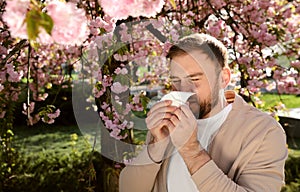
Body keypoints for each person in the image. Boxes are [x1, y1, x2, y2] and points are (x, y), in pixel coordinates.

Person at [119, 33, 288, 191]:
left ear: (224, 78)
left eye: (195, 79)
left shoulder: (263, 132)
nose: (184, 90)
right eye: (176, 81)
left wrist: (191, 150)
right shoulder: (168, 123)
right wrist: (157, 146)